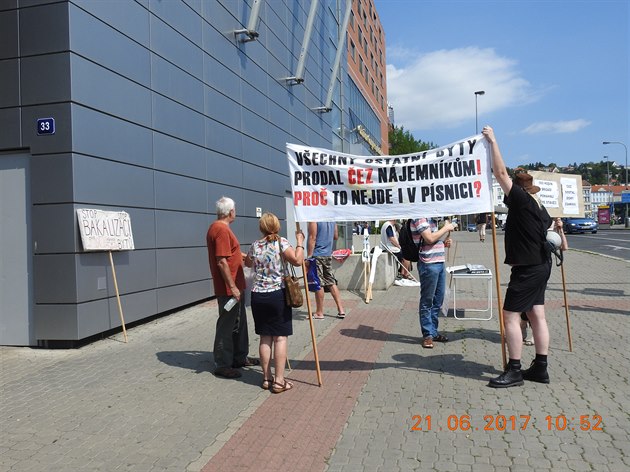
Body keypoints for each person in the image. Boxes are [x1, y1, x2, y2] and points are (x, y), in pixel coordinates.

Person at [483, 126, 568, 388]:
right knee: (537, 315)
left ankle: (515, 370)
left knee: (510, 316)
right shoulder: (540, 207)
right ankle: (540, 368)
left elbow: (500, 173)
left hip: (528, 268)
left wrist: (493, 141)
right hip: (541, 265)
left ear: (518, 191)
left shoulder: (519, 201)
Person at [244, 213, 305, 394]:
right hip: (277, 295)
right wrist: (300, 242)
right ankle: (279, 381)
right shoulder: (282, 243)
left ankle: (266, 378)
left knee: (265, 337)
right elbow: (297, 260)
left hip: (258, 296)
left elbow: (247, 263)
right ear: (277, 226)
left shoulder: (255, 245)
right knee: (279, 337)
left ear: (261, 227)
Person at [206, 197, 257, 379]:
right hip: (229, 289)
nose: (235, 212)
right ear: (230, 212)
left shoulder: (221, 228)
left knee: (239, 323)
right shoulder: (220, 230)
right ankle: (223, 363)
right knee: (227, 326)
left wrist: (244, 255)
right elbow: (221, 261)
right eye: (234, 209)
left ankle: (239, 357)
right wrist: (233, 287)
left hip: (235, 287)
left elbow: (230, 254)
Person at [410, 217, 455, 348]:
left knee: (438, 299)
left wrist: (443, 243)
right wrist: (446, 228)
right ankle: (427, 335)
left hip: (439, 262)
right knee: (427, 300)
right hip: (428, 263)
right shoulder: (419, 216)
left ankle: (433, 331)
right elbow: (429, 238)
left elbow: (432, 240)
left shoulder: (431, 217)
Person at [307, 221, 346, 319]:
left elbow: (312, 238)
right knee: (331, 281)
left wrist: (309, 257)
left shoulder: (314, 219)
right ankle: (341, 310)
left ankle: (319, 312)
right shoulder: (331, 219)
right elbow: (336, 236)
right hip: (327, 254)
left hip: (317, 254)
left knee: (318, 282)